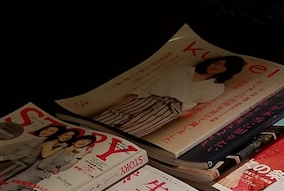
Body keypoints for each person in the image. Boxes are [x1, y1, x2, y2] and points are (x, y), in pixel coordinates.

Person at [92, 55, 245, 138]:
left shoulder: (217, 88)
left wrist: (180, 112)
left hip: (170, 109)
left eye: (222, 66)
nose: (216, 67)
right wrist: (137, 94)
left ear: (227, 71)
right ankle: (86, 132)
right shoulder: (186, 71)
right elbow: (157, 81)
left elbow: (197, 102)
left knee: (134, 130)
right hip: (150, 98)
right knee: (114, 115)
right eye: (217, 63)